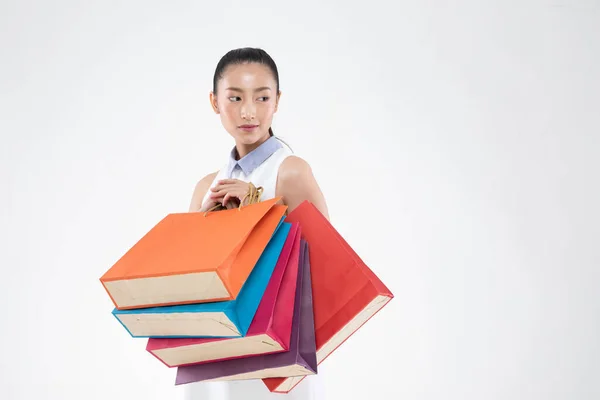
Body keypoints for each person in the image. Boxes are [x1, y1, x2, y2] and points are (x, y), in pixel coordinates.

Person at [185, 47, 329, 399]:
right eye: (234, 97)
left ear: (276, 101)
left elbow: (327, 269)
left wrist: (258, 208)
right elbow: (192, 282)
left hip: (278, 360)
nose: (248, 111)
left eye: (262, 97)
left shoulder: (290, 172)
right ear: (215, 102)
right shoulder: (207, 187)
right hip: (215, 354)